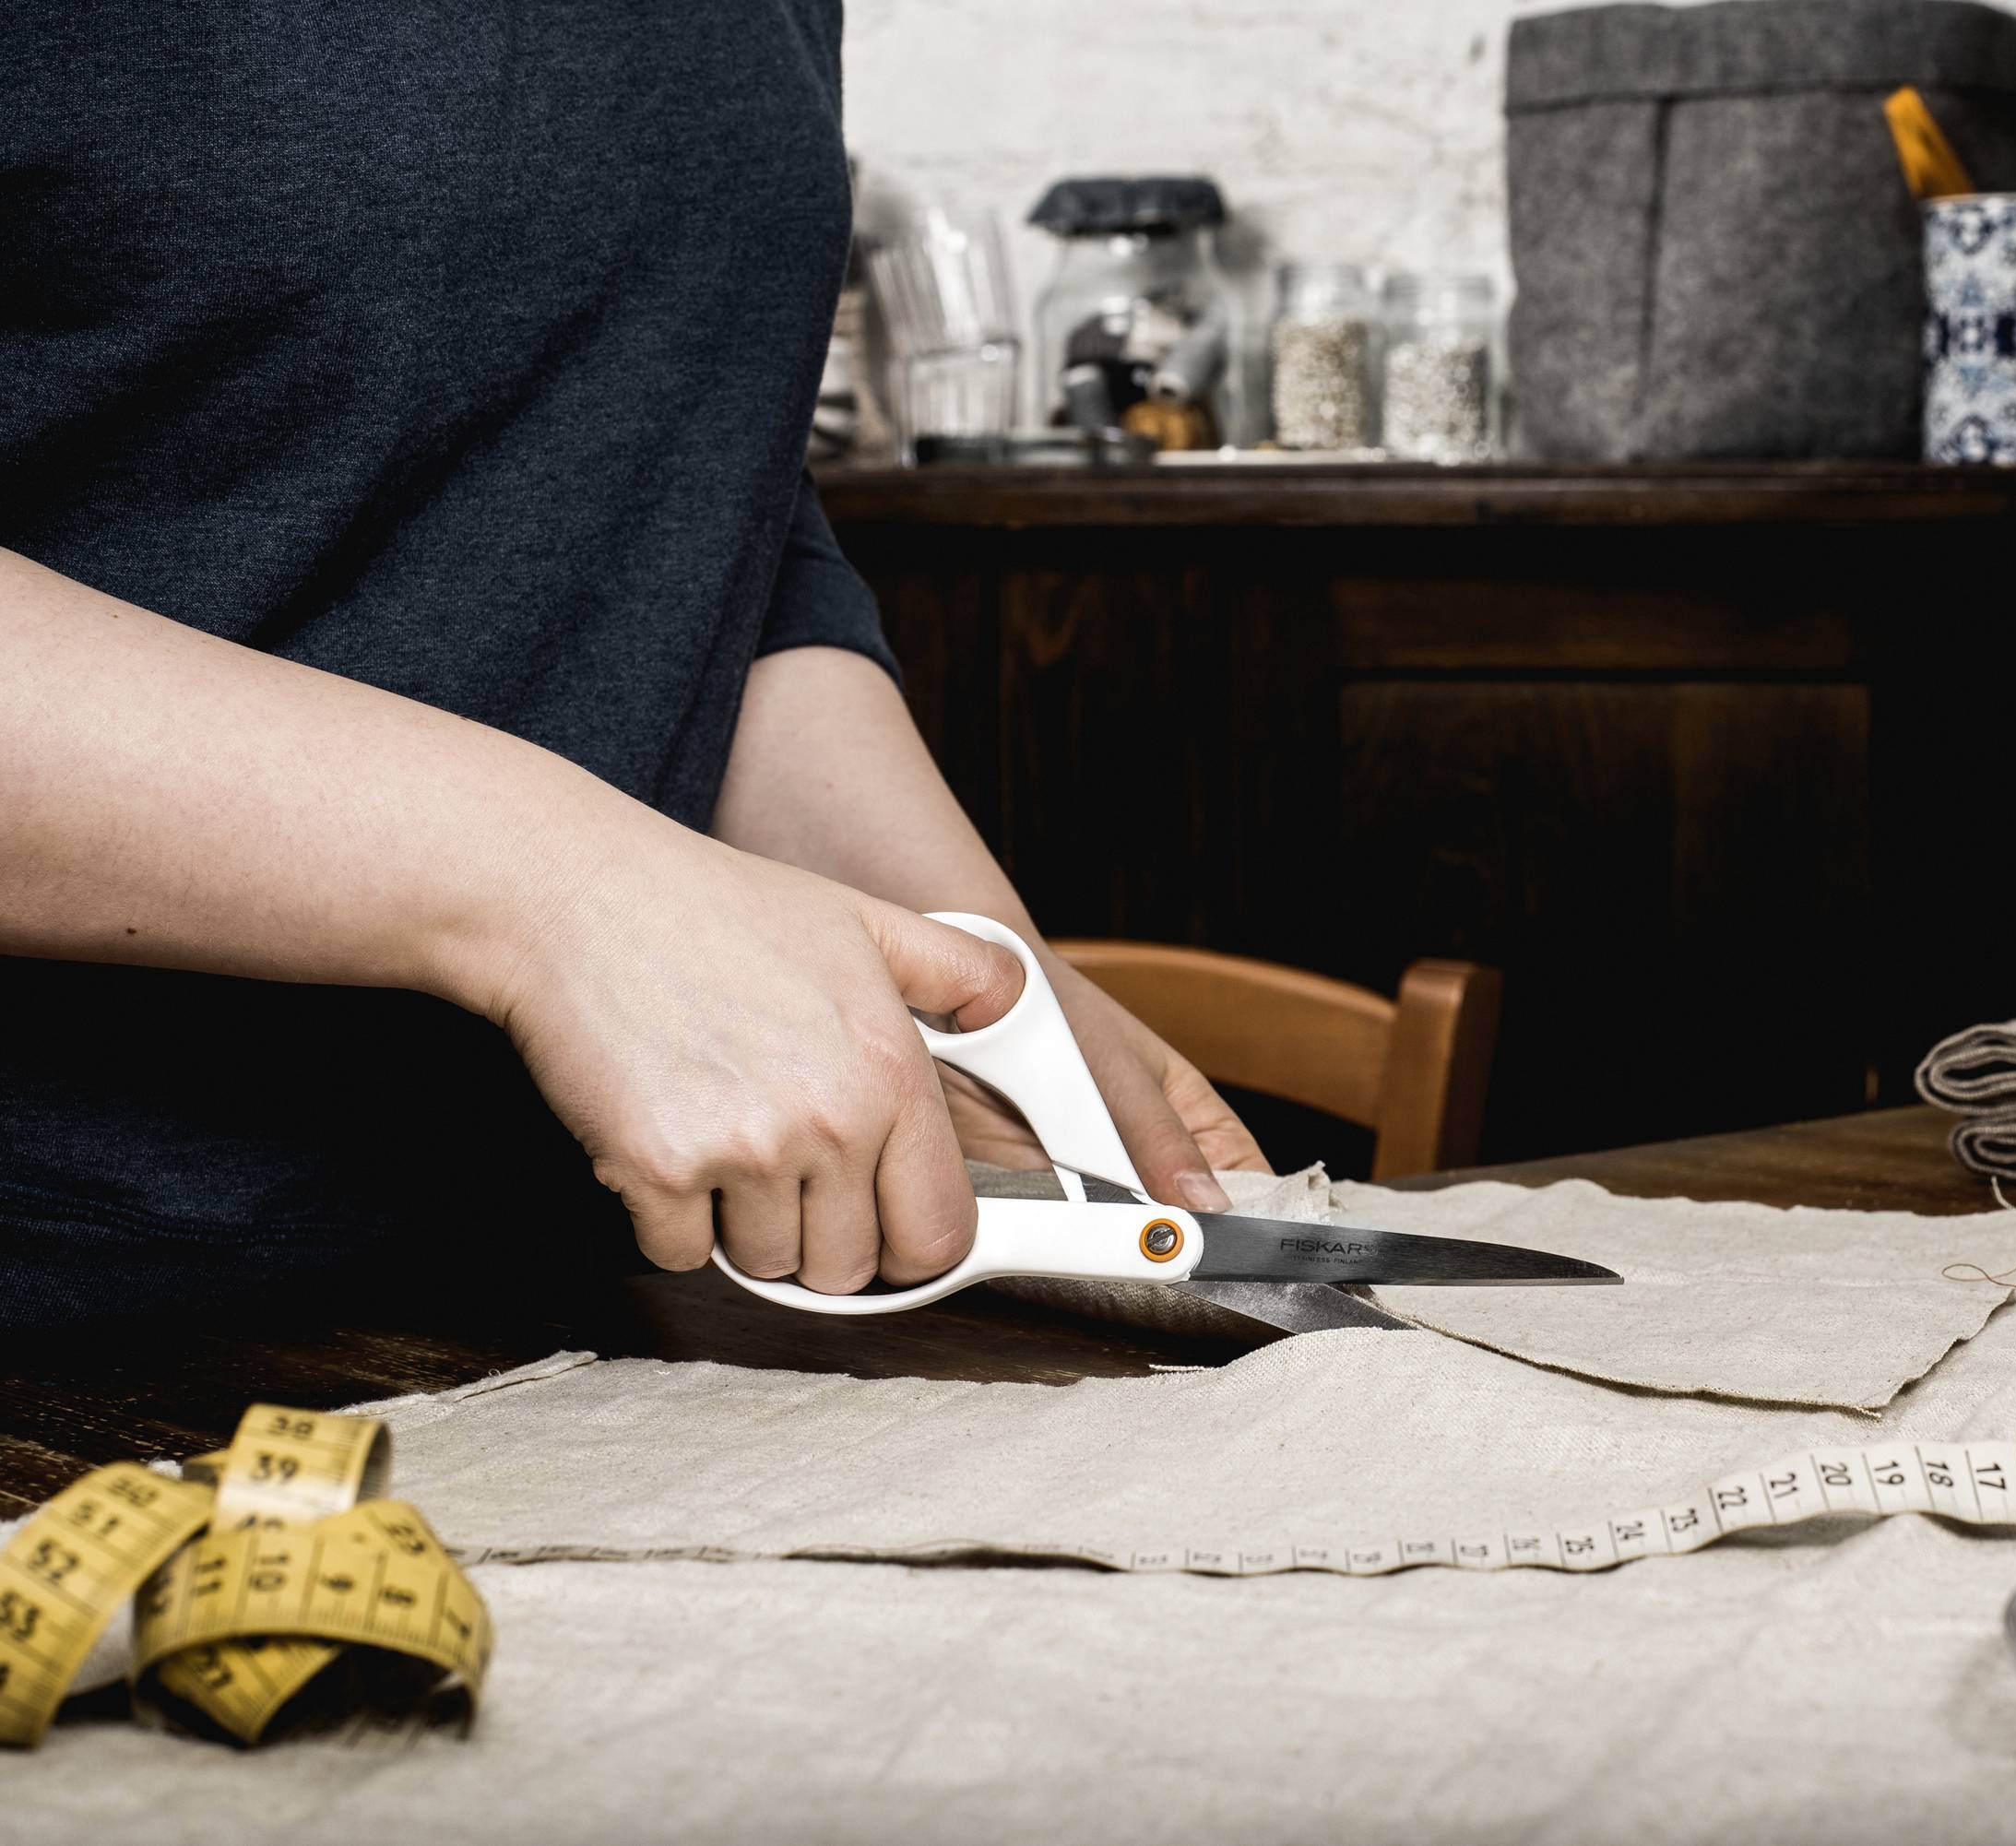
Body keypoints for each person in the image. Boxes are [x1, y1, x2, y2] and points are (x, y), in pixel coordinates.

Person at [0, 3, 1263, 1328]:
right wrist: (554, 886)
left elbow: (677, 509)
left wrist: (979, 982)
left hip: (572, 1284)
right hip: (69, 1313)